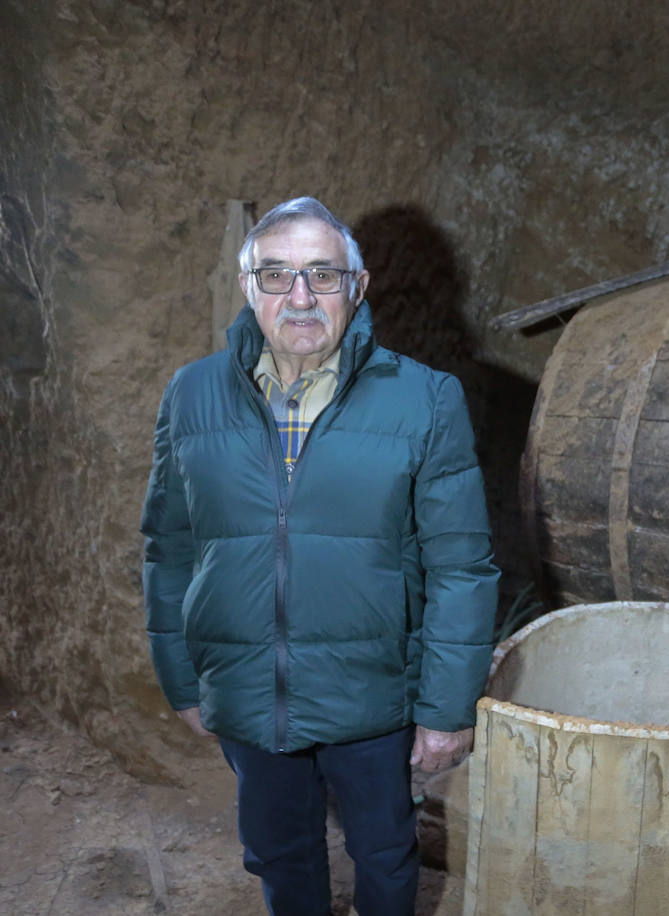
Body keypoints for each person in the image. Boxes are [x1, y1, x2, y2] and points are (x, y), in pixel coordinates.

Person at [142, 196, 499, 915]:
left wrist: (446, 707)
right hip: (247, 687)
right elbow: (169, 546)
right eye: (275, 275)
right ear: (249, 287)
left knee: (384, 856)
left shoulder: (425, 400)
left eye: (323, 276)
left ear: (357, 288)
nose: (300, 297)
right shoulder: (192, 393)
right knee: (280, 856)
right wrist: (182, 677)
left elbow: (462, 565)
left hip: (372, 694)